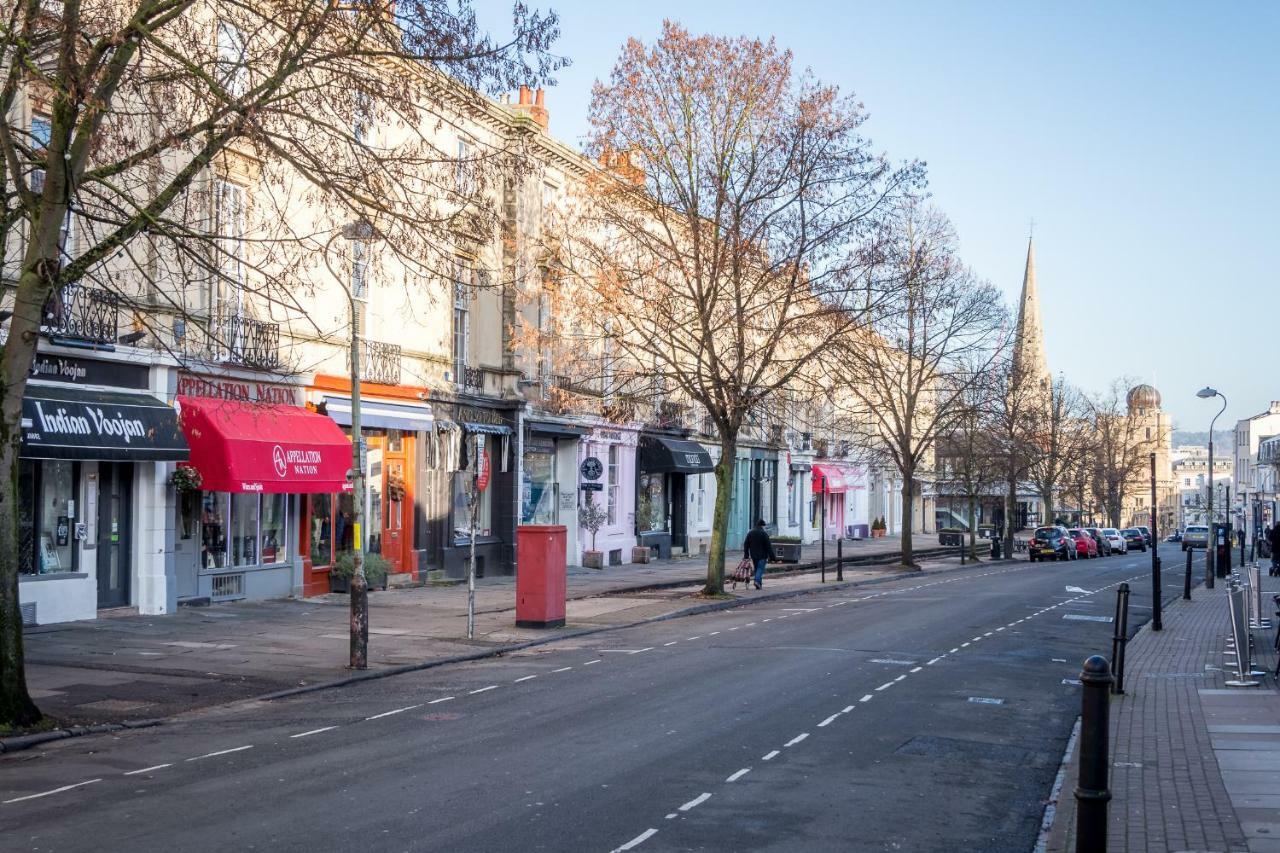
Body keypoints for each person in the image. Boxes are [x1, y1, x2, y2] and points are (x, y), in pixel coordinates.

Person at [743, 519, 777, 591]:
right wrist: (773, 557)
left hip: (753, 555)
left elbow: (746, 544)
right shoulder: (764, 534)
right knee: (760, 569)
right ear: (762, 526)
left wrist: (746, 554)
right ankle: (757, 581)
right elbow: (768, 546)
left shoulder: (750, 533)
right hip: (762, 555)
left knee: (757, 569)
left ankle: (759, 585)